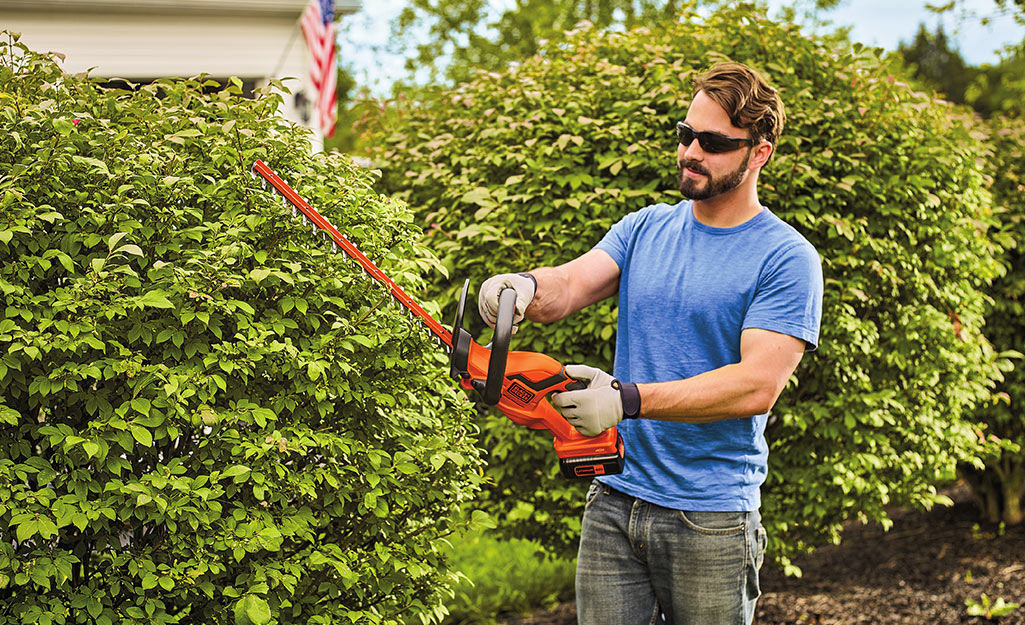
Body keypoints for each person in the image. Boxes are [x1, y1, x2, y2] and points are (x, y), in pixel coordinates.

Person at [477, 62, 823, 625]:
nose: (690, 152)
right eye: (686, 135)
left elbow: (757, 385)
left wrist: (626, 399)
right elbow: (571, 284)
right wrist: (525, 288)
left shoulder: (784, 257)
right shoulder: (645, 228)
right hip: (613, 500)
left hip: (710, 519)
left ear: (758, 153)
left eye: (712, 143)